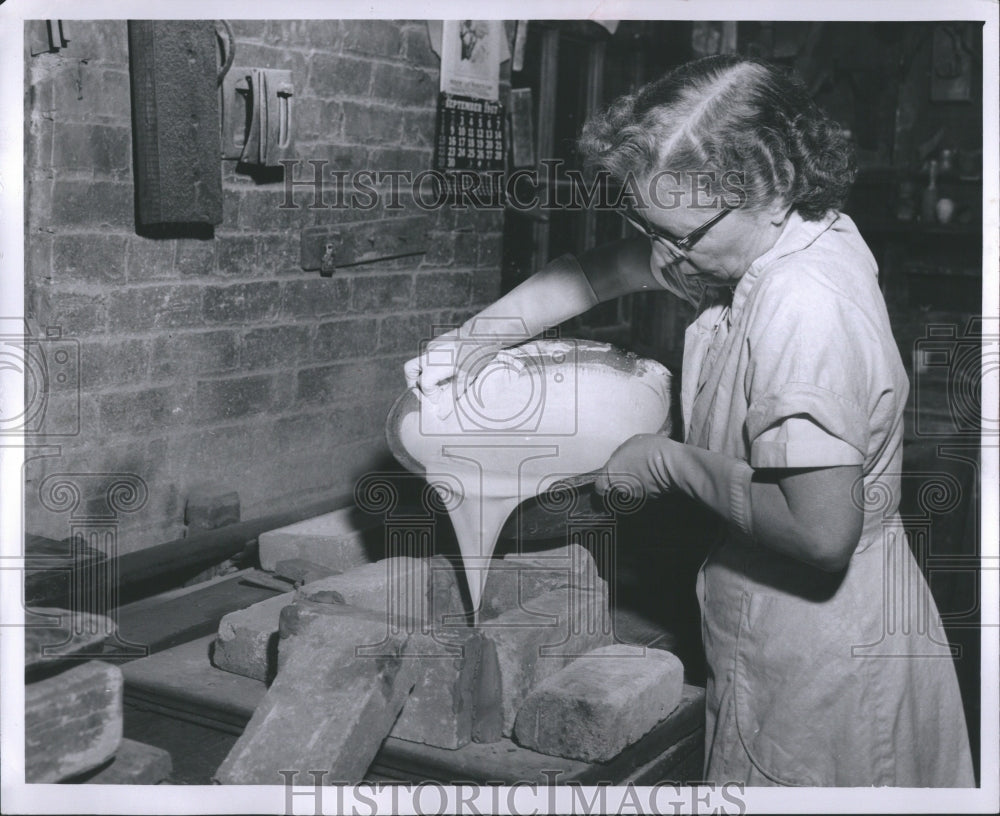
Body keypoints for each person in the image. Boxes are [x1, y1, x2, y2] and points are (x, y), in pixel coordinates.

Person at [404, 55, 974, 787]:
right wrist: (476, 338)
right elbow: (604, 269)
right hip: (770, 616)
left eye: (681, 234)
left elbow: (821, 533)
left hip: (825, 654)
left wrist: (667, 461)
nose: (668, 254)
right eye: (651, 222)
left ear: (766, 190)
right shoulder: (756, 236)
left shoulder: (805, 304)